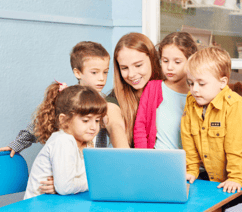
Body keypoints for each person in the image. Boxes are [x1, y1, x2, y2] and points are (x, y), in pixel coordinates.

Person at [0, 41, 110, 194]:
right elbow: (42, 122)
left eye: (105, 72)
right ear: (78, 73)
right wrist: (18, 143)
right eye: (95, 72)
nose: (102, 79)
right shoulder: (68, 99)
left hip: (84, 174)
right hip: (65, 179)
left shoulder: (105, 104)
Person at [181, 47, 242, 193]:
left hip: (232, 180)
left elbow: (237, 146)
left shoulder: (235, 106)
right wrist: (191, 170)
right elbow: (188, 140)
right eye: (190, 83)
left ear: (222, 82)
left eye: (201, 84)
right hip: (207, 178)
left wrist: (236, 177)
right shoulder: (191, 100)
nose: (194, 89)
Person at [24, 83, 107, 199]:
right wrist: (93, 182)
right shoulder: (63, 141)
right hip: (40, 204)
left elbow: (71, 184)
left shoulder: (87, 143)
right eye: (86, 120)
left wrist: (65, 186)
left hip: (61, 201)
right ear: (64, 120)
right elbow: (66, 187)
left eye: (97, 120)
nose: (93, 127)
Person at [133, 32, 197, 149]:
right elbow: (140, 127)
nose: (169, 67)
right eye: (165, 61)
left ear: (190, 61)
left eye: (177, 62)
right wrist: (143, 157)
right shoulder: (153, 88)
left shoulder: (197, 93)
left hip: (188, 163)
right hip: (155, 160)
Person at [105, 32, 163, 148]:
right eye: (124, 68)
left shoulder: (167, 89)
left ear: (152, 60)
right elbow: (115, 126)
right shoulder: (113, 99)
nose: (131, 74)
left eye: (138, 65)